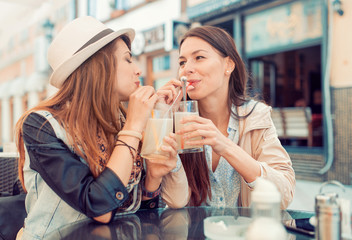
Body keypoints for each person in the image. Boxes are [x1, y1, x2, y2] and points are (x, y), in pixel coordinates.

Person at [14, 16, 189, 239]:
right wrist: (135, 125)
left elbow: (134, 213)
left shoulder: (121, 120)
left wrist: (152, 180)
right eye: (128, 60)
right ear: (98, 66)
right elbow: (100, 207)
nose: (138, 69)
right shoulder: (42, 125)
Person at [161, 25, 295, 208]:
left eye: (199, 57)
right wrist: (162, 118)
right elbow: (176, 202)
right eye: (182, 62)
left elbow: (285, 194)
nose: (187, 69)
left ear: (228, 65)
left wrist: (225, 146)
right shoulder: (178, 122)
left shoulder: (255, 116)